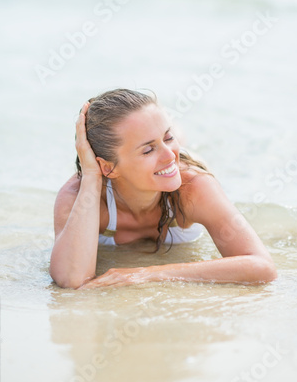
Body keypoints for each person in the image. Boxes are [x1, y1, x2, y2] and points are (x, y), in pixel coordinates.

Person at [50, 89, 277, 289]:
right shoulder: (79, 196)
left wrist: (148, 273)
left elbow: (263, 267)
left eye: (169, 138)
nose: (170, 155)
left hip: (185, 170)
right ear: (108, 167)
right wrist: (92, 175)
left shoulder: (194, 186)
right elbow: (72, 279)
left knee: (182, 153)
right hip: (116, 175)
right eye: (147, 150)